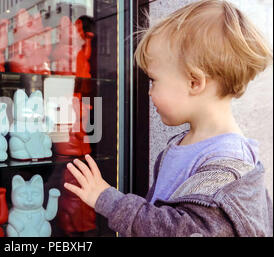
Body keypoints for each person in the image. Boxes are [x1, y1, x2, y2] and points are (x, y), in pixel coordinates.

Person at [64, 0, 273, 237]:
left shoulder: (227, 166)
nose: (149, 91)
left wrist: (108, 199)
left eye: (154, 80)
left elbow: (175, 230)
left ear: (194, 82)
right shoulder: (185, 143)